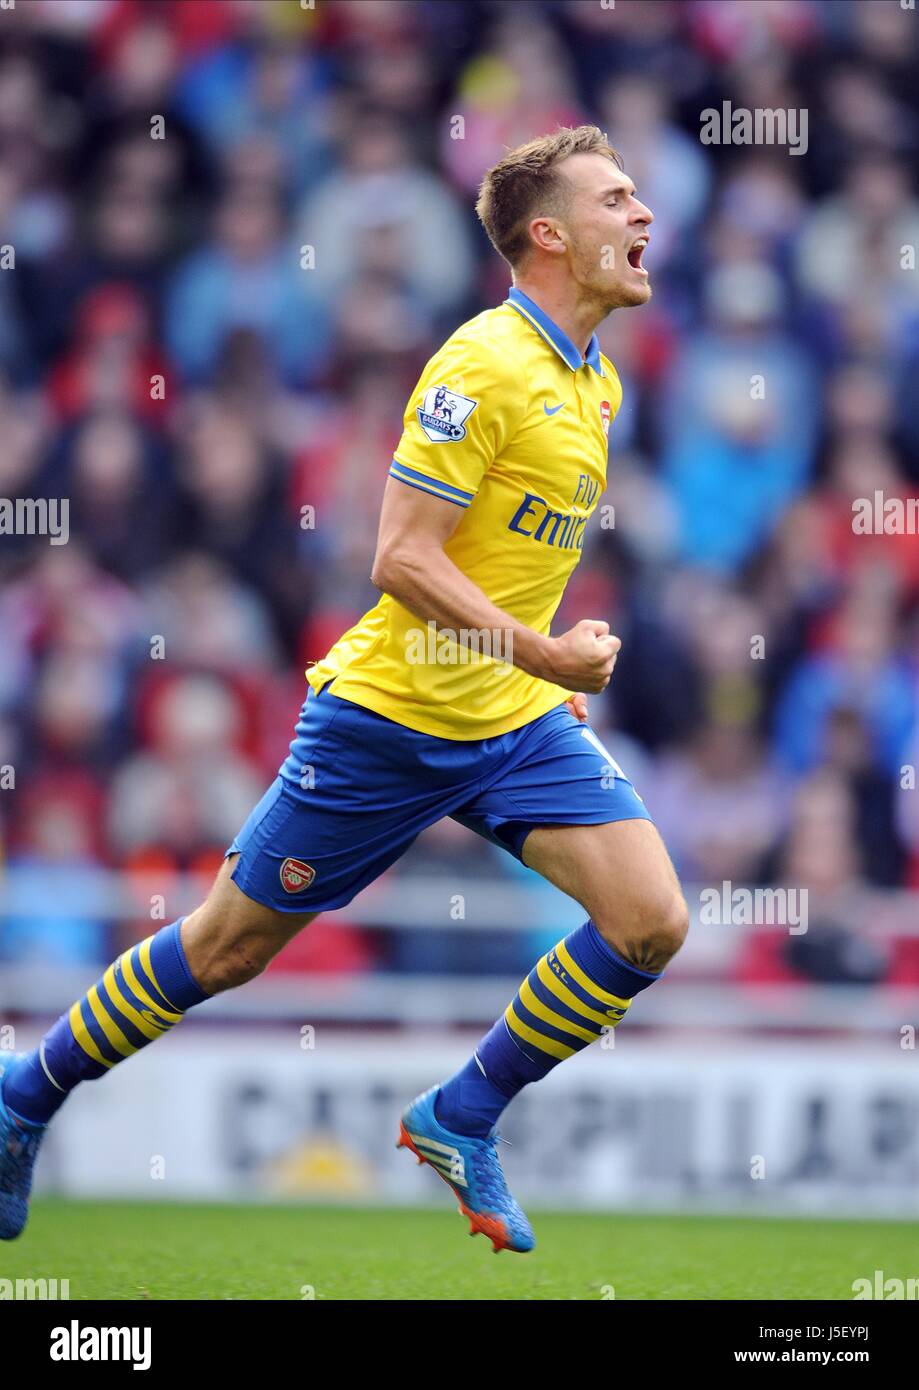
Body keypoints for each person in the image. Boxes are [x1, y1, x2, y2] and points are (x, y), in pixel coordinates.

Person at [1, 126, 688, 1254]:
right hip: (389, 718)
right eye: (617, 200)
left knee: (650, 918)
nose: (643, 217)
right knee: (225, 946)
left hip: (509, 719)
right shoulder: (481, 364)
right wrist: (547, 656)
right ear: (550, 236)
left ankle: (461, 1113)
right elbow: (401, 560)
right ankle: (25, 1093)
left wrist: (536, 683)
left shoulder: (595, 381)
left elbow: (503, 555)